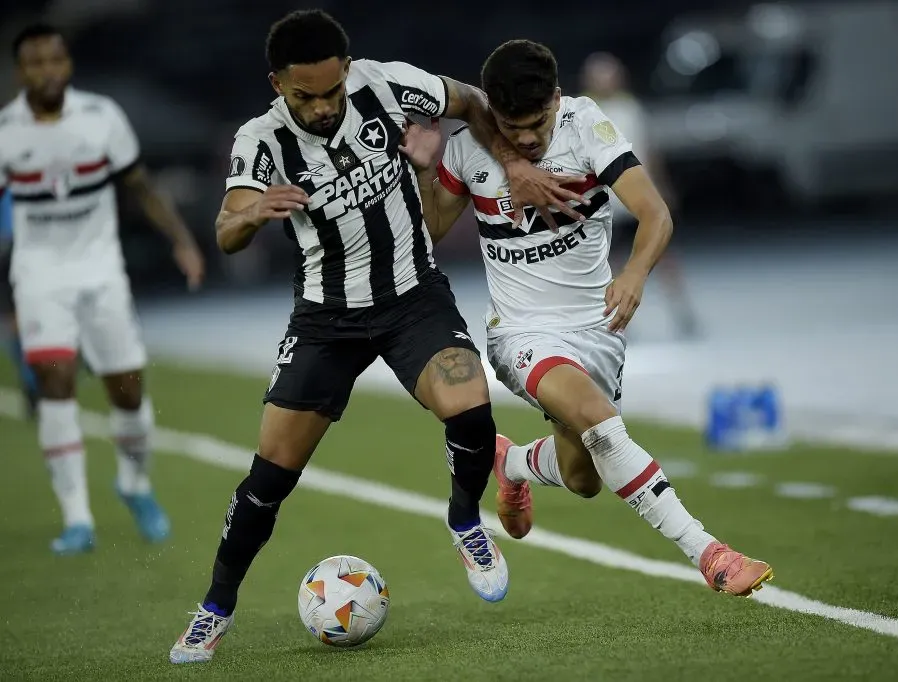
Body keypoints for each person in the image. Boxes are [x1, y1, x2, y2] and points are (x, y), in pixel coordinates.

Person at [168, 10, 588, 665]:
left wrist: (511, 163)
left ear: (346, 69)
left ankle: (464, 521)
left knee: (471, 408)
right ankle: (213, 610)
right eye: (306, 96)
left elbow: (471, 100)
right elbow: (226, 230)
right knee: (268, 479)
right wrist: (254, 212)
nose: (323, 106)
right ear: (278, 84)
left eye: (332, 90)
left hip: (412, 299)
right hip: (325, 323)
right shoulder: (262, 139)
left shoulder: (387, 84)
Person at [406, 39, 773, 598]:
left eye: (537, 124)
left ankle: (514, 464)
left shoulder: (586, 127)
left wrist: (635, 273)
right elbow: (429, 232)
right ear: (492, 115)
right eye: (512, 128)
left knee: (583, 478)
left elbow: (655, 213)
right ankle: (710, 553)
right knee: (600, 423)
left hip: (597, 331)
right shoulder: (468, 149)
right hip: (521, 334)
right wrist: (422, 170)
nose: (526, 139)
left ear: (557, 98)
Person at [0, 24, 205, 554]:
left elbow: (141, 186)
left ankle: (134, 484)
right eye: (36, 63)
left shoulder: (102, 116)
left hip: (101, 271)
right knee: (56, 382)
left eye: (55, 60)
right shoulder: (7, 132)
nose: (47, 71)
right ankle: (77, 519)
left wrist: (182, 241)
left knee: (128, 391)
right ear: (21, 72)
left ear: (68, 64)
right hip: (40, 275)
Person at [579, 52, 700, 338]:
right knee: (607, 264)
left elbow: (648, 150)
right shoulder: (582, 110)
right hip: (604, 202)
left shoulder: (630, 107)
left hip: (636, 200)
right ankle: (617, 320)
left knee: (661, 255)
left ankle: (683, 313)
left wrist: (661, 187)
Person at [0, 187, 39, 418]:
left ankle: (31, 382)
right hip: (17, 243)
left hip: (15, 243)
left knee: (17, 322)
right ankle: (32, 382)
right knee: (20, 321)